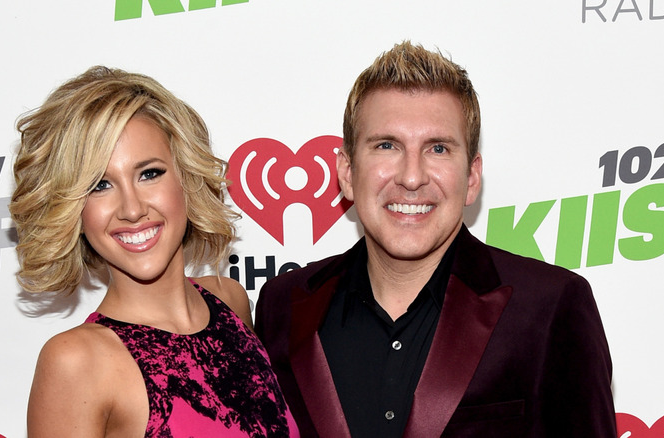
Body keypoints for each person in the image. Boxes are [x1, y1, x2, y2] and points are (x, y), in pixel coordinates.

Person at [254, 42, 617, 437]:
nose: (412, 177)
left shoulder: (550, 307)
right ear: (347, 172)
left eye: (438, 148)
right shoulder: (282, 307)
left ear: (472, 177)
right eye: (387, 146)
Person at [11, 66, 299, 437]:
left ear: (186, 177)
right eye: (100, 185)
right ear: (73, 209)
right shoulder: (77, 362)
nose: (132, 209)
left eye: (149, 173)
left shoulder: (230, 300)